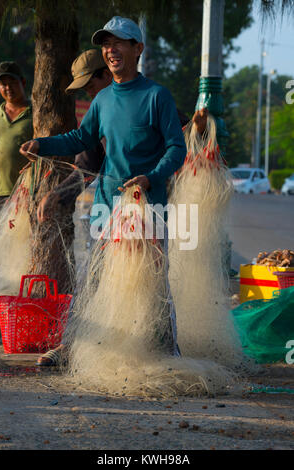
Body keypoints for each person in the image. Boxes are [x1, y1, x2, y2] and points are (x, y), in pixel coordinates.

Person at [20, 16, 207, 366]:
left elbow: (176, 149)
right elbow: (81, 139)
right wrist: (41, 144)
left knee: (152, 281)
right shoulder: (103, 99)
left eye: (119, 42)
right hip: (106, 207)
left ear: (137, 49)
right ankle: (73, 348)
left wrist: (150, 178)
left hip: (146, 207)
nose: (110, 50)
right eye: (106, 44)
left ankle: (168, 350)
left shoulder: (156, 96)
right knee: (95, 276)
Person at [37, 49, 112, 224]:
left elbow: (182, 136)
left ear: (107, 75)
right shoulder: (97, 116)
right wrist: (58, 194)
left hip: (149, 206)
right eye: (85, 90)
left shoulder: (147, 96)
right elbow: (86, 167)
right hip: (109, 208)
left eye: (91, 87)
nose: (89, 94)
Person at [0, 62, 32, 211]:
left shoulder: (36, 113)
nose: (8, 88)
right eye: (3, 84)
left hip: (24, 192)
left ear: (22, 82)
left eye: (13, 83)